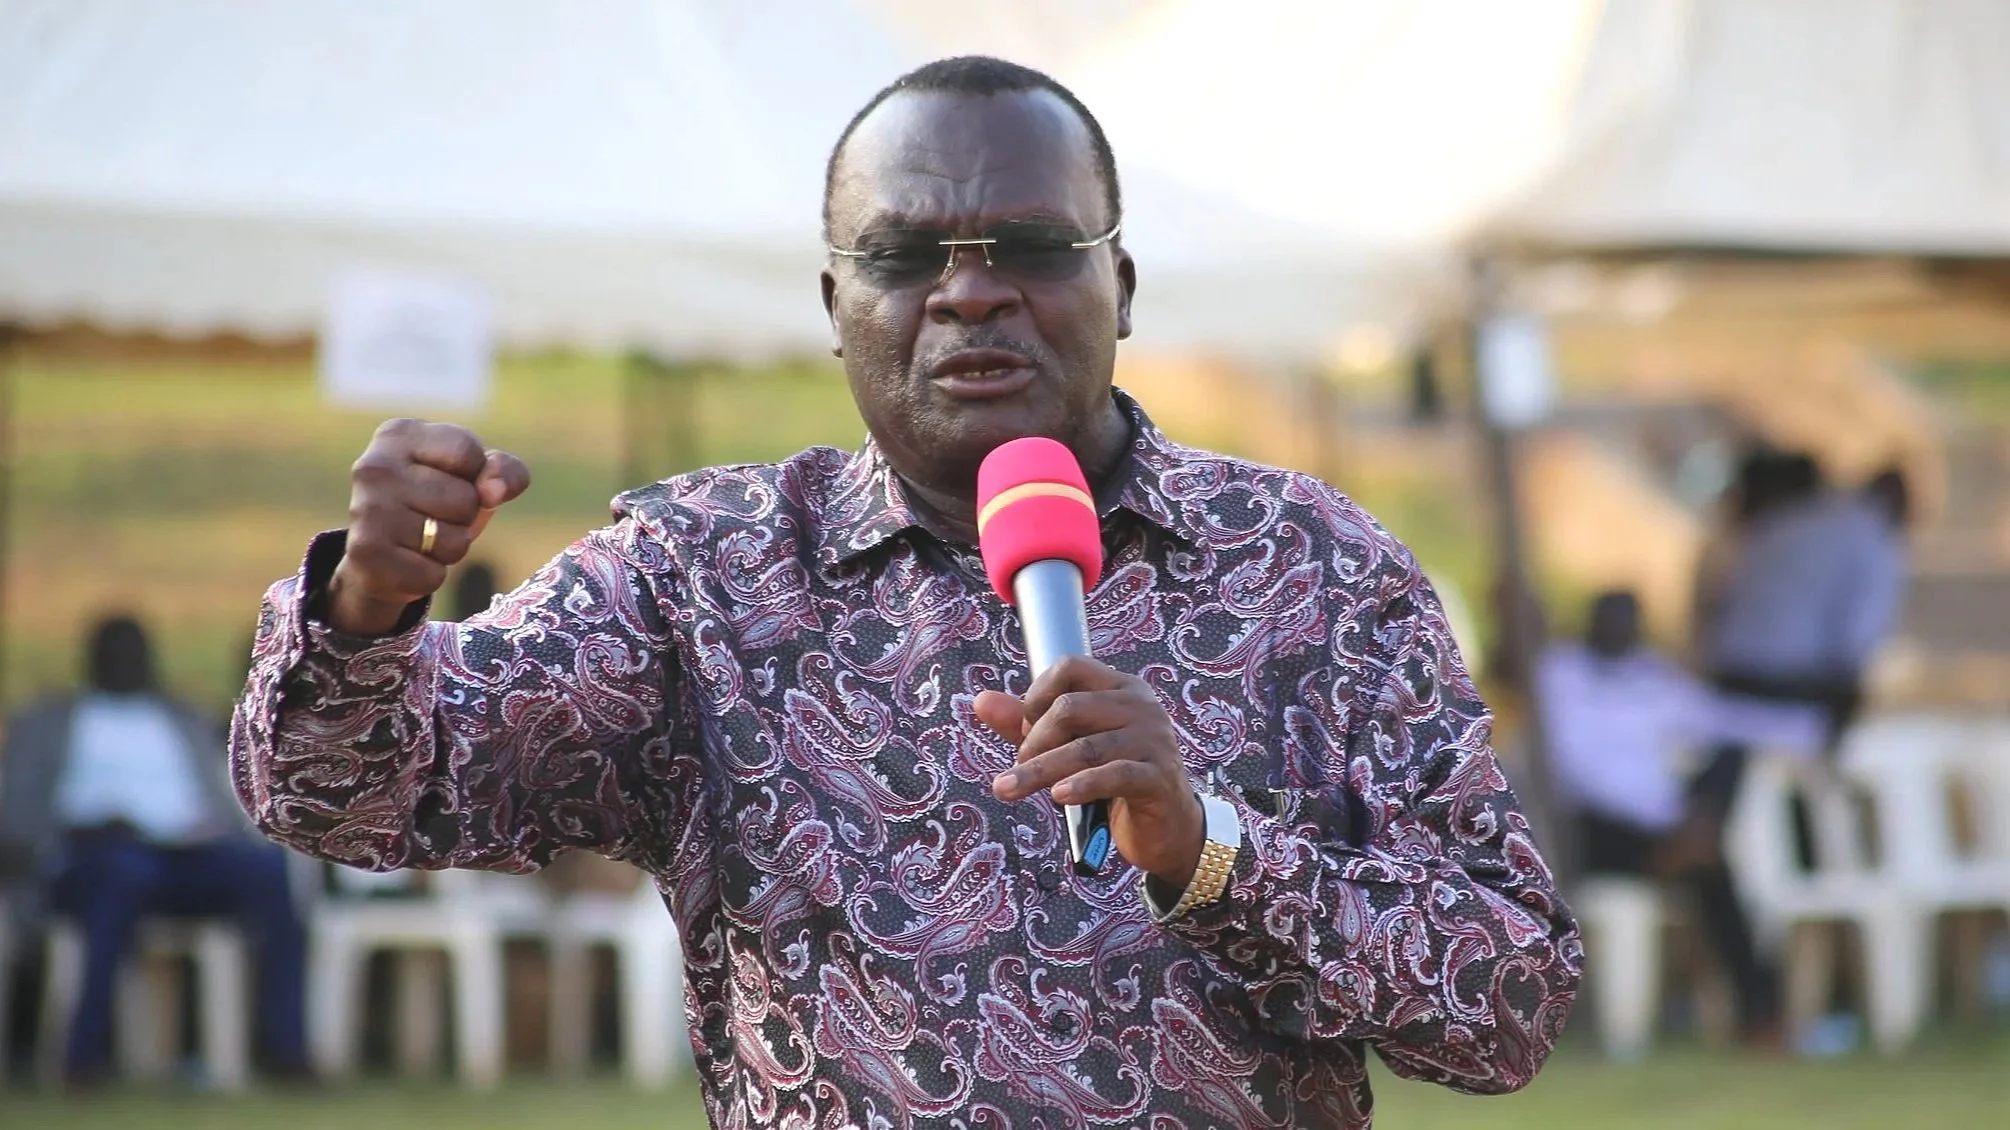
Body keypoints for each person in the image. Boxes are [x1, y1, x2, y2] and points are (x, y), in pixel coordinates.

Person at [230, 57, 1579, 1126]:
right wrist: (366, 612)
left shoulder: (1316, 567)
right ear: (835, 303)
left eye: (1029, 244)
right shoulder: (700, 578)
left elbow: (1508, 1004)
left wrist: (1210, 851)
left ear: (1119, 283)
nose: (969, 292)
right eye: (905, 255)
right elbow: (339, 795)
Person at [0, 615, 309, 1085]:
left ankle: (288, 1049)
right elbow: (17, 814)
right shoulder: (49, 721)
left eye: (136, 651)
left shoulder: (183, 718)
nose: (127, 661)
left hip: (186, 854)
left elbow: (228, 796)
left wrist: (214, 828)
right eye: (114, 651)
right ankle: (83, 1058)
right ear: (91, 659)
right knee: (122, 874)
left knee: (268, 869)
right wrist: (84, 826)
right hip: (93, 855)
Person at [1540, 590, 1821, 1042]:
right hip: (1595, 828)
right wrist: (1671, 825)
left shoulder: (1652, 678)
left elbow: (1727, 720)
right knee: (1710, 867)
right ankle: (1761, 1011)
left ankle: (1760, 1013)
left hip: (1668, 829)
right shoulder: (1557, 675)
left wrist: (1816, 726)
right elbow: (1574, 770)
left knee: (1730, 760)